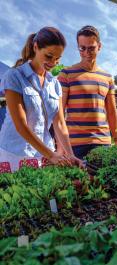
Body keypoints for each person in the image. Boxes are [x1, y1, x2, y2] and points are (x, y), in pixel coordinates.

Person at [0, 27, 82, 171]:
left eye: (58, 58)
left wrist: (70, 155)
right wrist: (51, 155)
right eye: (49, 56)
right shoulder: (14, 76)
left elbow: (60, 124)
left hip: (45, 155)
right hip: (16, 153)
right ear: (36, 47)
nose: (53, 63)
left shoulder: (54, 83)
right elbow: (20, 125)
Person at [58, 25, 117, 160]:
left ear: (99, 46)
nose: (87, 52)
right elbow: (59, 112)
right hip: (74, 144)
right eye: (82, 48)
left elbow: (111, 110)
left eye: (91, 48)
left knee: (104, 181)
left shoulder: (107, 78)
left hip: (102, 143)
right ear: (78, 48)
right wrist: (60, 145)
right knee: (76, 181)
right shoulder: (66, 74)